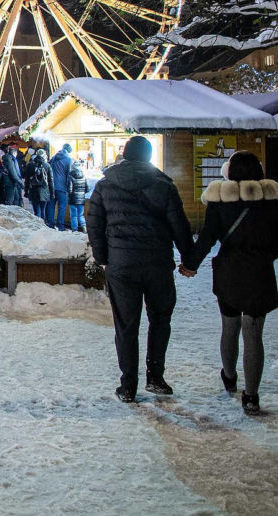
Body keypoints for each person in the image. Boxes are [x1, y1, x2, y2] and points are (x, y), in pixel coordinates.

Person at [180, 151, 278, 416]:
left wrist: (190, 265)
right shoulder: (272, 202)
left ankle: (229, 377)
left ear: (229, 172)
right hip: (259, 274)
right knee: (253, 333)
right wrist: (264, 257)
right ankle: (251, 397)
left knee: (229, 327)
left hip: (229, 272)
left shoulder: (220, 202)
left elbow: (207, 238)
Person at [87, 135, 194, 403]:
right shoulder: (163, 185)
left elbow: (93, 223)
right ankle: (156, 377)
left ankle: (128, 386)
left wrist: (103, 257)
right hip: (158, 263)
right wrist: (189, 259)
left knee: (126, 325)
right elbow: (179, 226)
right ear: (148, 157)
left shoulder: (105, 185)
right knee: (160, 319)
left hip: (121, 266)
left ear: (124, 154)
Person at [23, 148, 54, 223]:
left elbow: (26, 180)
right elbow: (51, 181)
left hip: (33, 190)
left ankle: (37, 226)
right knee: (43, 209)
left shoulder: (30, 165)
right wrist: (52, 193)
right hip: (44, 191)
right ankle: (43, 226)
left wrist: (26, 191)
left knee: (36, 210)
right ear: (44, 156)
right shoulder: (47, 166)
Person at [48, 144, 74, 231]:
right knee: (62, 206)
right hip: (62, 187)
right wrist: (69, 188)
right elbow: (69, 175)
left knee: (51, 205)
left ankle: (50, 224)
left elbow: (49, 168)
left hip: (52, 186)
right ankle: (60, 226)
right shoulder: (68, 160)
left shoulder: (54, 157)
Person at [66, 160, 88, 231]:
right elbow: (88, 188)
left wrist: (69, 195)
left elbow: (70, 189)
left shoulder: (70, 175)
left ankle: (74, 229)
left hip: (73, 199)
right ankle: (84, 227)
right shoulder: (84, 175)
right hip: (81, 198)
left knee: (73, 216)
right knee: (81, 215)